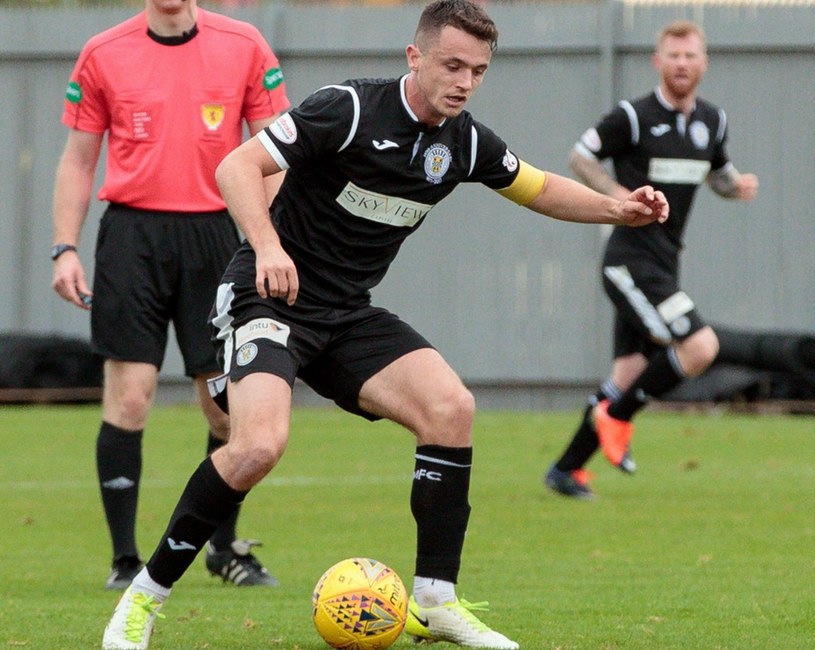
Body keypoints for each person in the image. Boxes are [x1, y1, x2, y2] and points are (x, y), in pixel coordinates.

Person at [99, 1, 669, 648]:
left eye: (478, 70)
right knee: (257, 445)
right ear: (414, 56)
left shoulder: (465, 142)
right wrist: (267, 246)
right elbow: (235, 166)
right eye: (452, 64)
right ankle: (142, 601)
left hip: (346, 313)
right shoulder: (348, 109)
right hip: (269, 298)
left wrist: (617, 210)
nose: (464, 81)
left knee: (451, 408)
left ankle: (436, 602)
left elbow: (538, 187)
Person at [53, 0, 289, 591]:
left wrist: (275, 242)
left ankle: (220, 546)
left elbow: (276, 154)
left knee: (223, 405)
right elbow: (79, 161)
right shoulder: (103, 52)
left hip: (214, 238)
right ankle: (126, 561)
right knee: (131, 398)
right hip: (132, 239)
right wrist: (65, 247)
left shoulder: (245, 45)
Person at [543, 21, 759, 499]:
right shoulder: (633, 116)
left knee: (625, 375)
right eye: (673, 55)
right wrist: (618, 196)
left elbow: (718, 176)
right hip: (628, 260)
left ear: (704, 62)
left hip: (665, 263)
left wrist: (736, 185)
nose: (682, 63)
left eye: (691, 55)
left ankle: (565, 469)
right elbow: (581, 156)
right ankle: (616, 418)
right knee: (698, 346)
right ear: (658, 62)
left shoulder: (712, 122)